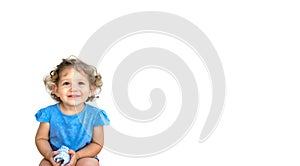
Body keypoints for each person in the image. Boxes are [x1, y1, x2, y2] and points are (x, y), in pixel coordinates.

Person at [35, 56, 110, 166]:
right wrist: (49, 154)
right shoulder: (48, 114)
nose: (73, 88)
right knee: (44, 164)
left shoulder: (95, 115)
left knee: (89, 164)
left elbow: (97, 144)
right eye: (66, 83)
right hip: (56, 156)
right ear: (56, 90)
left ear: (91, 90)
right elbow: (41, 138)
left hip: (84, 156)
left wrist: (78, 155)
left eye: (80, 83)